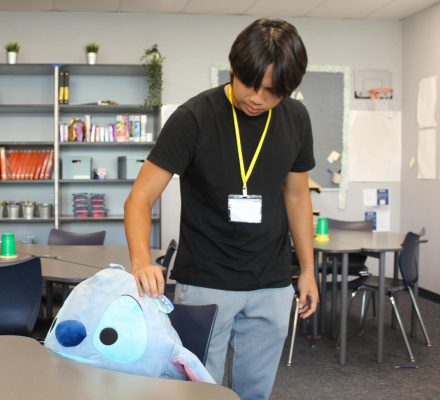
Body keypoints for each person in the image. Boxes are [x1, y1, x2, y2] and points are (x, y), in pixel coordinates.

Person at [124, 18, 319, 400]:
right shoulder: (194, 118)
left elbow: (297, 197)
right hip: (205, 284)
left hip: (272, 283)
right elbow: (140, 198)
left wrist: (308, 269)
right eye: (250, 84)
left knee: (255, 394)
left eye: (272, 92)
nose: (258, 98)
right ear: (233, 68)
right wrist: (141, 260)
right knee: (197, 393)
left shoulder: (296, 119)